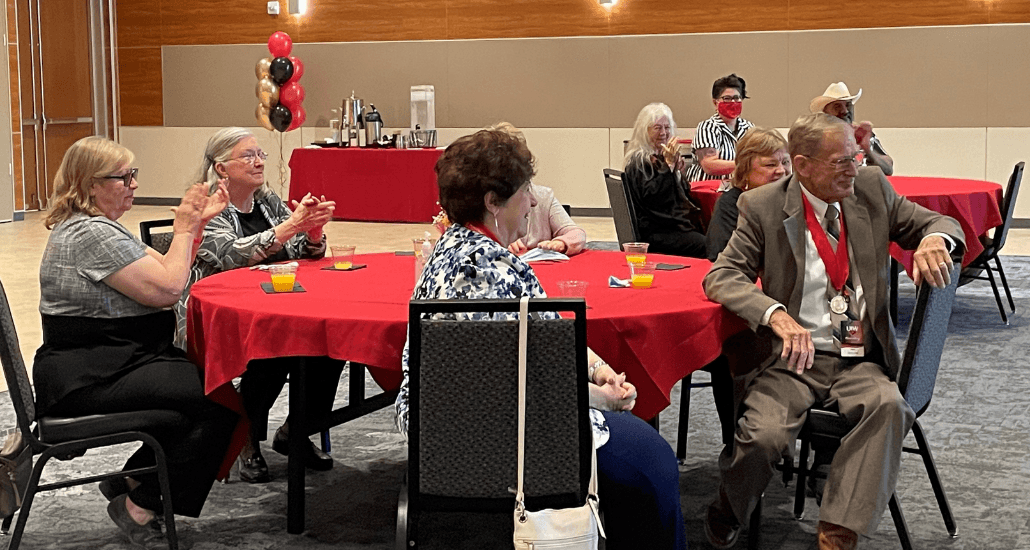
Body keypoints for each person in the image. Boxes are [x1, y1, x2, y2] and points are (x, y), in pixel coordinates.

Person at [394, 129, 687, 549]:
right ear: (492, 202)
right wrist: (606, 398)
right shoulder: (492, 270)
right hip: (503, 441)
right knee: (652, 464)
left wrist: (600, 370)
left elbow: (545, 343)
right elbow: (523, 387)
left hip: (440, 441)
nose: (533, 202)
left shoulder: (451, 251)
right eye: (524, 191)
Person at [701, 113, 963, 550]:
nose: (854, 168)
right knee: (762, 437)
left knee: (889, 407)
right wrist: (774, 314)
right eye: (842, 161)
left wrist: (936, 240)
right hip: (792, 360)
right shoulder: (763, 205)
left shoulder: (872, 189)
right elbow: (722, 276)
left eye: (855, 157)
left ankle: (837, 533)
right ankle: (730, 505)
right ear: (802, 165)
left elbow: (942, 223)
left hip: (860, 358)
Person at [33, 136, 240, 548]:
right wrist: (183, 228)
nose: (133, 184)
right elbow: (167, 288)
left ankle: (130, 480)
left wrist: (194, 226)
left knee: (195, 403)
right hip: (89, 375)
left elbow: (165, 267)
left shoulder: (99, 227)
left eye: (133, 175)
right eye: (122, 177)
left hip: (108, 360)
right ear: (89, 184)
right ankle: (138, 504)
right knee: (217, 403)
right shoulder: (91, 234)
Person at [172, 127, 341, 484]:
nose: (259, 161)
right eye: (247, 155)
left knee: (330, 343)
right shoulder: (206, 205)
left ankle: (296, 431)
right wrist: (289, 228)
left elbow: (299, 256)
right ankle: (245, 438)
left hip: (275, 302)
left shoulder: (267, 202)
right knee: (274, 352)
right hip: (219, 312)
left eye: (261, 154)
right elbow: (228, 255)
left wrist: (311, 234)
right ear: (220, 168)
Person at [489, 123, 586, 256]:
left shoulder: (543, 196)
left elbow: (576, 233)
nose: (533, 201)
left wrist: (561, 243)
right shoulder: (480, 205)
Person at [622, 102, 706, 258]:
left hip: (669, 225)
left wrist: (678, 173)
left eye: (667, 128)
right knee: (708, 245)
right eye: (657, 128)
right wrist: (668, 167)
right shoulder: (639, 161)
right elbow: (654, 198)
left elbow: (682, 194)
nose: (664, 133)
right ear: (644, 131)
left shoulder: (663, 156)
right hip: (656, 230)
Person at [706, 127, 792, 261]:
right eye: (770, 165)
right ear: (745, 169)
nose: (781, 170)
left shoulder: (795, 200)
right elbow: (720, 257)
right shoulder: (732, 204)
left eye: (785, 162)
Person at [684, 73, 755, 184]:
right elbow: (709, 165)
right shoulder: (707, 127)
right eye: (727, 98)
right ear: (715, 102)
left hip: (737, 187)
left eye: (737, 98)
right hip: (708, 189)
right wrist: (745, 165)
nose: (732, 102)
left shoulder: (749, 128)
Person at [811, 82, 894, 176]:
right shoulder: (817, 138)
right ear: (826, 113)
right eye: (837, 107)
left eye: (848, 105)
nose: (845, 111)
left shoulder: (863, 134)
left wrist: (868, 150)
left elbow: (888, 168)